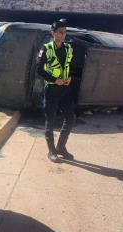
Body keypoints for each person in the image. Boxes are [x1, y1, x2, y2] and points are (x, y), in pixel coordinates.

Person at [36, 18, 75, 162]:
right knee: (50, 121)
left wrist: (69, 76)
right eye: (60, 32)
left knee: (70, 118)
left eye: (64, 33)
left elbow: (69, 66)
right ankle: (51, 151)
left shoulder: (68, 48)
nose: (63, 35)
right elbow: (39, 70)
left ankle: (61, 147)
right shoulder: (46, 49)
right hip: (51, 89)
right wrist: (54, 80)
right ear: (53, 33)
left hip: (65, 89)